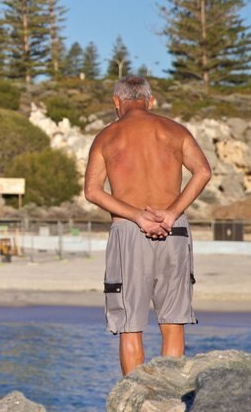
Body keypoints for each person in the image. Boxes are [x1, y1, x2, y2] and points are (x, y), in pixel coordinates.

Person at [84, 75, 212, 376]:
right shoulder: (175, 131)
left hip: (129, 231)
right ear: (150, 101)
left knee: (130, 325)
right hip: (174, 229)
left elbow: (92, 192)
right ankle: (170, 397)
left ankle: (135, 401)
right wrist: (170, 213)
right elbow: (203, 172)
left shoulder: (107, 136)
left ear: (117, 102)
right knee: (173, 321)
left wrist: (138, 216)